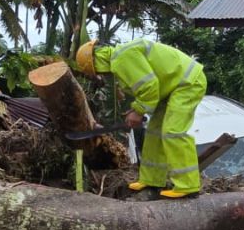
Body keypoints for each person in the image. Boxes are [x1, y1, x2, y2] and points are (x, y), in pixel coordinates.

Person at [76, 37, 207, 198]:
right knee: (154, 134)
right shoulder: (120, 58)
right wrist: (135, 109)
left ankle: (188, 186)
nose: (101, 75)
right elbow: (149, 86)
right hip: (171, 88)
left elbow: (149, 86)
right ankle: (152, 180)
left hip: (188, 84)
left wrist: (138, 112)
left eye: (97, 72)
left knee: (173, 132)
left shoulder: (122, 58)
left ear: (95, 63)